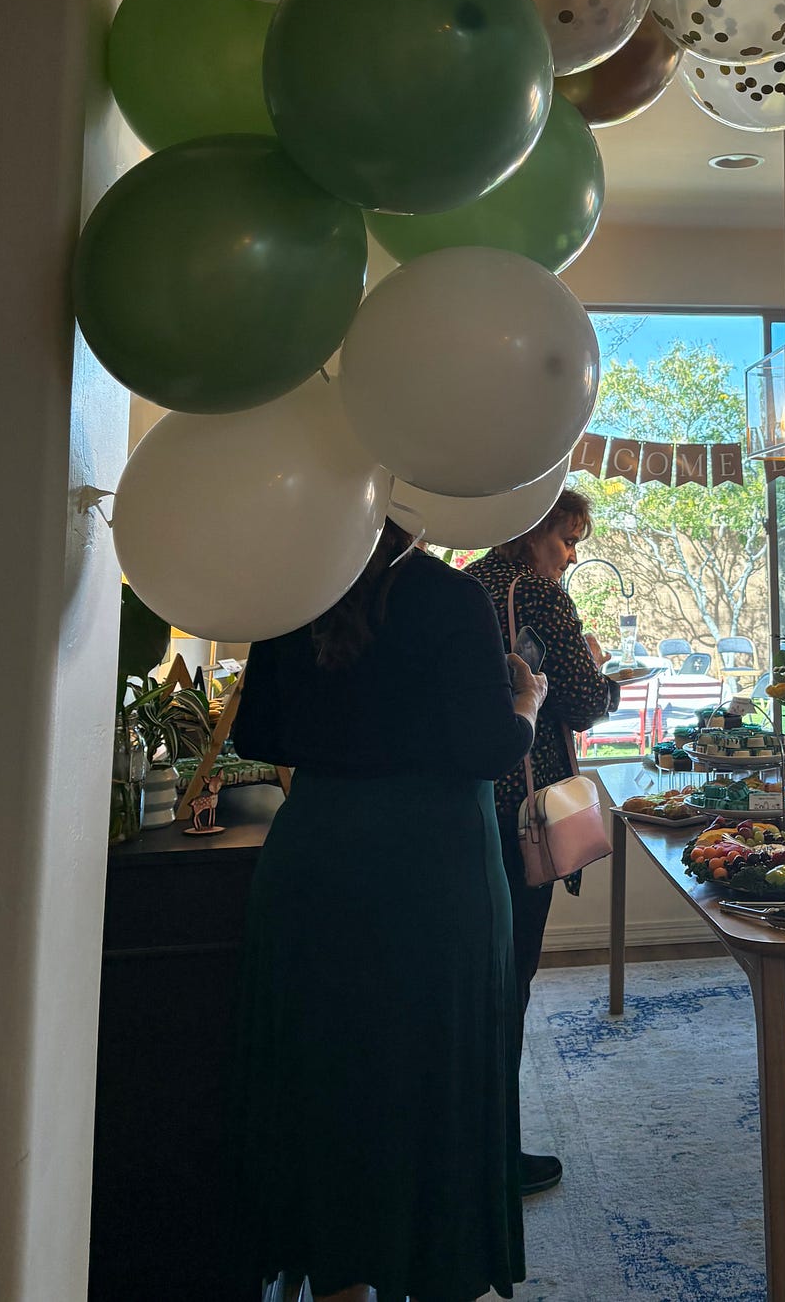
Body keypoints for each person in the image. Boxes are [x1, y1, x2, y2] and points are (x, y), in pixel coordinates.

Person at [226, 518, 548, 1302]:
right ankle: (430, 1263)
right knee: (435, 1072)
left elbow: (258, 729)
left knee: (327, 1076)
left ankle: (340, 1278)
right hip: (435, 873)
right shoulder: (453, 596)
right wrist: (528, 702)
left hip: (313, 863)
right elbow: (488, 747)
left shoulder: (294, 591)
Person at [471, 488, 616, 1197]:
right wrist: (602, 674)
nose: (571, 555)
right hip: (527, 810)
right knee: (513, 976)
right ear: (532, 531)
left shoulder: (471, 581)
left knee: (480, 977)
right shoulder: (540, 594)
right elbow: (584, 702)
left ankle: (473, 1139)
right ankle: (498, 1153)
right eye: (566, 539)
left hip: (472, 802)